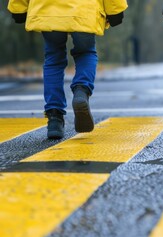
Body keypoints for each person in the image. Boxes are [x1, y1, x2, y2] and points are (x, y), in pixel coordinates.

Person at [7, 0, 128, 139]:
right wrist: (115, 9)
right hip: (84, 9)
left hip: (48, 9)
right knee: (86, 52)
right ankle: (81, 91)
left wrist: (18, 7)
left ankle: (54, 118)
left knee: (53, 59)